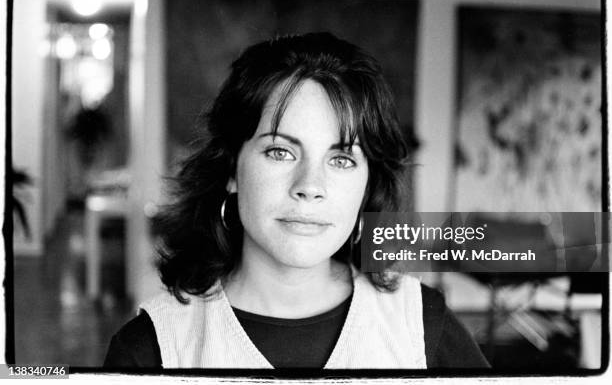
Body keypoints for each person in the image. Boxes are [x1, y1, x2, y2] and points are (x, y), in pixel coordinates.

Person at [104, 32, 490, 369]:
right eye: (280, 152)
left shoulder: (422, 327)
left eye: (341, 159)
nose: (310, 185)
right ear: (232, 170)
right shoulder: (151, 349)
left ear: (367, 185)